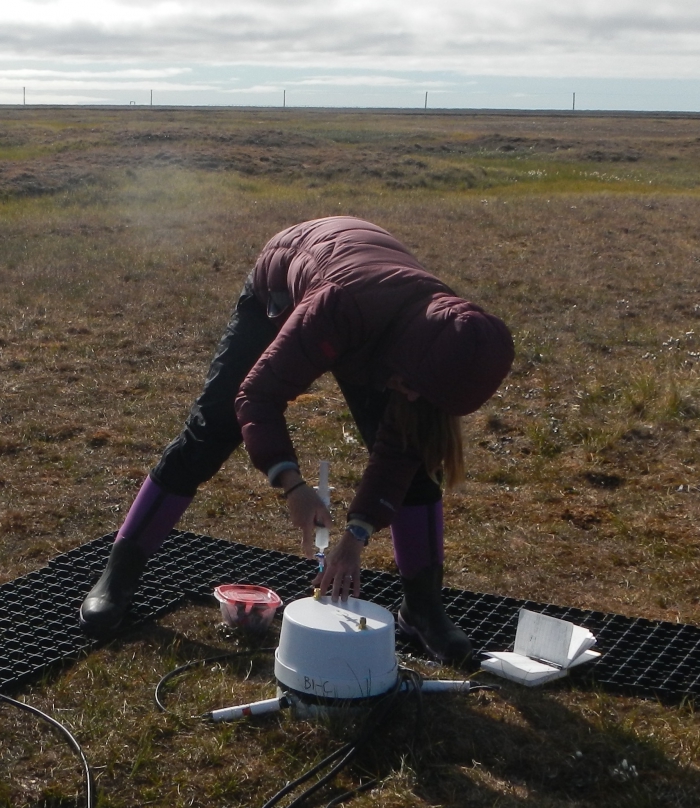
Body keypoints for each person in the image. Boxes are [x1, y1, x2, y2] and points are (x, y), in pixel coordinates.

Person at [79, 216, 514, 664]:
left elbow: (401, 446)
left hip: (368, 307)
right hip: (288, 283)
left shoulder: (444, 339)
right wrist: (293, 485)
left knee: (418, 452)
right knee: (212, 429)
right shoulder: (339, 309)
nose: (410, 394)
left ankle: (423, 610)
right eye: (412, 386)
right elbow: (257, 397)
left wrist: (356, 536)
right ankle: (119, 574)